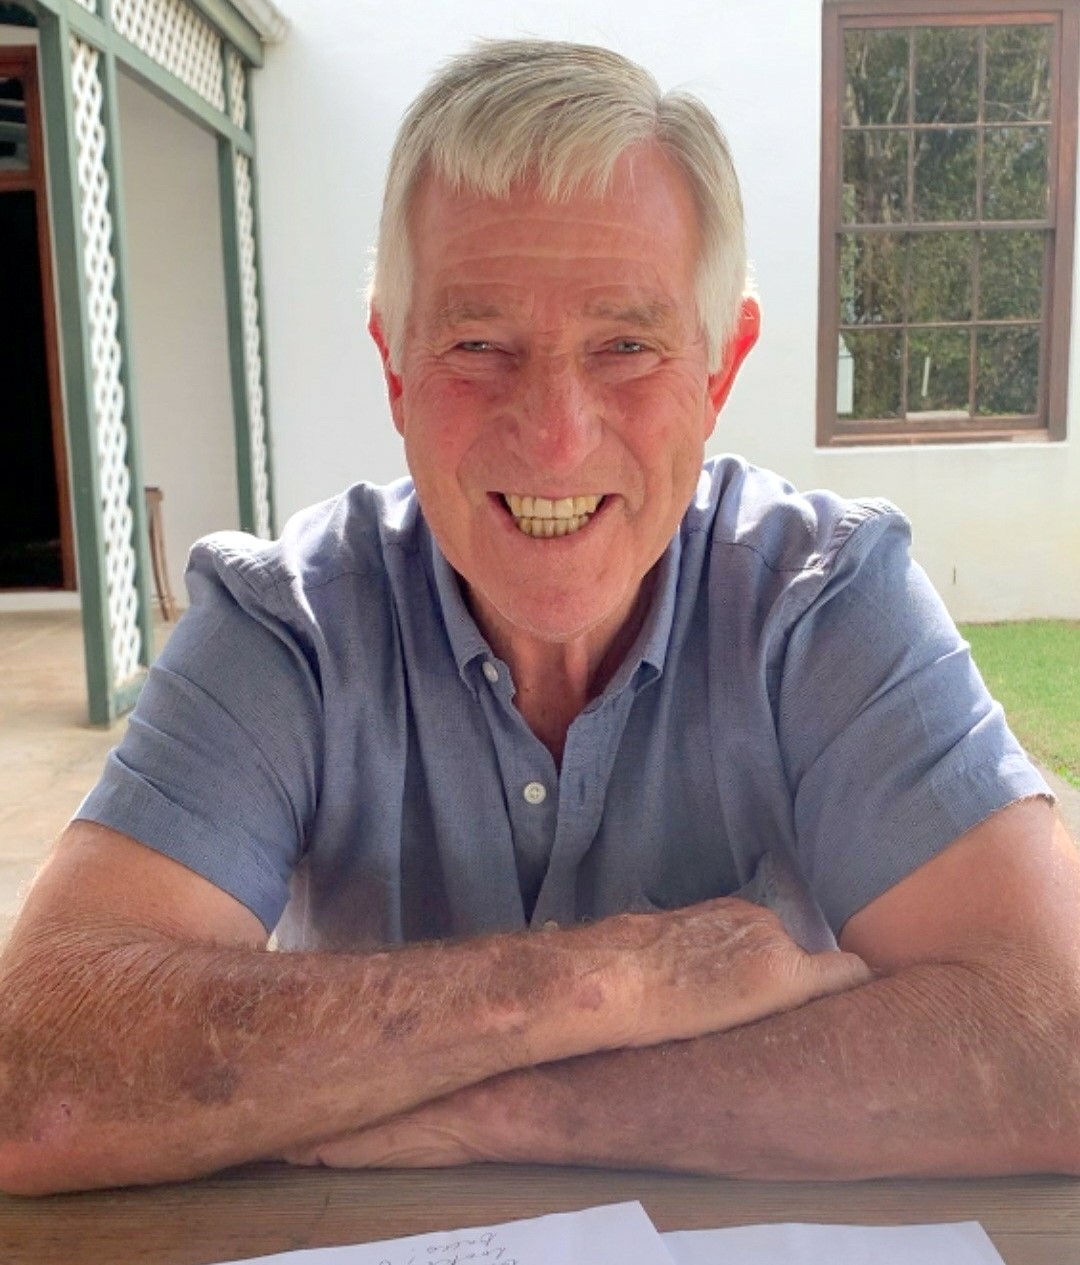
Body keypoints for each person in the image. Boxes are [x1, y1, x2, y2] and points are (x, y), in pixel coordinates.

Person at [2, 39, 1078, 1197]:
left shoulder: (825, 599)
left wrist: (509, 1106)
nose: (556, 436)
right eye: (478, 345)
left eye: (627, 345)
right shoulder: (289, 625)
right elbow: (38, 1073)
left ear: (719, 368)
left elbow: (1052, 1038)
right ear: (395, 365)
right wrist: (625, 978)